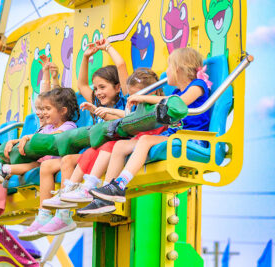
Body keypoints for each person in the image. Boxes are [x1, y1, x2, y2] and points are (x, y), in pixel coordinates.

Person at [18, 38, 131, 240]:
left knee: (68, 160)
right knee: (46, 167)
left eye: (103, 87)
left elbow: (121, 66)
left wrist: (107, 47)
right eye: (96, 89)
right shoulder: (95, 100)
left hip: (110, 150)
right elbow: (81, 83)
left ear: (117, 87)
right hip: (94, 151)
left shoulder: (125, 102)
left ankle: (64, 214)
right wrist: (86, 56)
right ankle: (44, 214)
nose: (98, 92)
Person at [78, 47, 212, 215]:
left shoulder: (197, 86)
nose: (166, 72)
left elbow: (179, 103)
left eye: (168, 67)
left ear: (178, 69)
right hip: (174, 136)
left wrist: (143, 97)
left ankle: (120, 184)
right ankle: (105, 197)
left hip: (191, 138)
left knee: (145, 140)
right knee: (119, 146)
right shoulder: (178, 91)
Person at [0, 87, 80, 238]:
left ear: (62, 111)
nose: (43, 112)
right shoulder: (46, 127)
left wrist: (28, 139)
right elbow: (33, 135)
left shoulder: (68, 126)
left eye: (47, 109)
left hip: (49, 161)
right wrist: (15, 141)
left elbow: (51, 137)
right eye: (43, 109)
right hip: (38, 160)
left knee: (2, 172)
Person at [58, 68, 166, 207]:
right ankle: (98, 194)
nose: (136, 99)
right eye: (133, 96)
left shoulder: (156, 103)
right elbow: (129, 116)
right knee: (97, 149)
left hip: (151, 137)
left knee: (110, 146)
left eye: (138, 95)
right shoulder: (137, 107)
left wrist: (140, 98)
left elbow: (169, 101)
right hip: (135, 140)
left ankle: (94, 188)